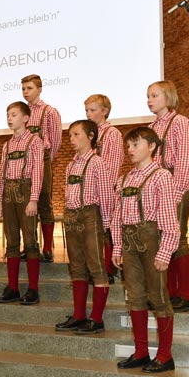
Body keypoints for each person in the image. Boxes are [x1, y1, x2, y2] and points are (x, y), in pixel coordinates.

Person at [111, 127, 179, 372]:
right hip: (129, 243)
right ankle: (141, 352)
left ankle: (165, 355)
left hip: (152, 243)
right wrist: (117, 245)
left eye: (135, 145)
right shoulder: (125, 178)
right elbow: (117, 216)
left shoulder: (161, 176)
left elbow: (171, 219)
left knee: (159, 298)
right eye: (128, 146)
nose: (129, 150)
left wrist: (165, 252)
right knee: (135, 298)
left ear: (151, 147)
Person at [54, 120, 114, 334]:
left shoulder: (98, 163)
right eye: (70, 135)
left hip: (91, 217)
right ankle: (79, 315)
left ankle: (96, 319)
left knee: (96, 268)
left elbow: (107, 197)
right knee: (77, 267)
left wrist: (106, 226)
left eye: (76, 134)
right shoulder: (71, 164)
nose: (71, 139)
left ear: (90, 136)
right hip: (72, 217)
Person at [147, 80, 189, 312]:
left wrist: (176, 193)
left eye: (154, 95)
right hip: (156, 187)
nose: (149, 100)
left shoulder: (181, 123)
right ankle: (168, 293)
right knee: (161, 239)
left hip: (175, 184)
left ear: (168, 97)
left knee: (177, 238)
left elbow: (187, 160)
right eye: (148, 96)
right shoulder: (151, 126)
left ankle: (185, 295)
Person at [0, 102, 44, 305]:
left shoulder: (34, 141)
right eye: (7, 114)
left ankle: (33, 289)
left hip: (25, 190)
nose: (9, 118)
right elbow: (1, 175)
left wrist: (33, 199)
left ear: (25, 118)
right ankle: (13, 287)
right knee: (12, 241)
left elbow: (38, 172)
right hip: (9, 193)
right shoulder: (7, 145)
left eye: (14, 114)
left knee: (30, 241)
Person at [21, 74, 61, 262]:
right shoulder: (21, 111)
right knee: (27, 202)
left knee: (44, 201)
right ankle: (30, 245)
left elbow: (56, 141)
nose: (25, 92)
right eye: (23, 89)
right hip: (23, 161)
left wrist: (45, 161)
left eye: (29, 88)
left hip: (42, 159)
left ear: (39, 89)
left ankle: (47, 248)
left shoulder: (49, 111)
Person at [84, 94, 124, 284]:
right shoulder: (89, 134)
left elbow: (113, 165)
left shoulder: (111, 133)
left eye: (92, 110)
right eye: (86, 110)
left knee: (107, 229)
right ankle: (95, 266)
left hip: (106, 189)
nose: (88, 114)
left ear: (105, 111)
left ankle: (109, 268)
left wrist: (104, 189)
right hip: (91, 191)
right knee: (94, 231)